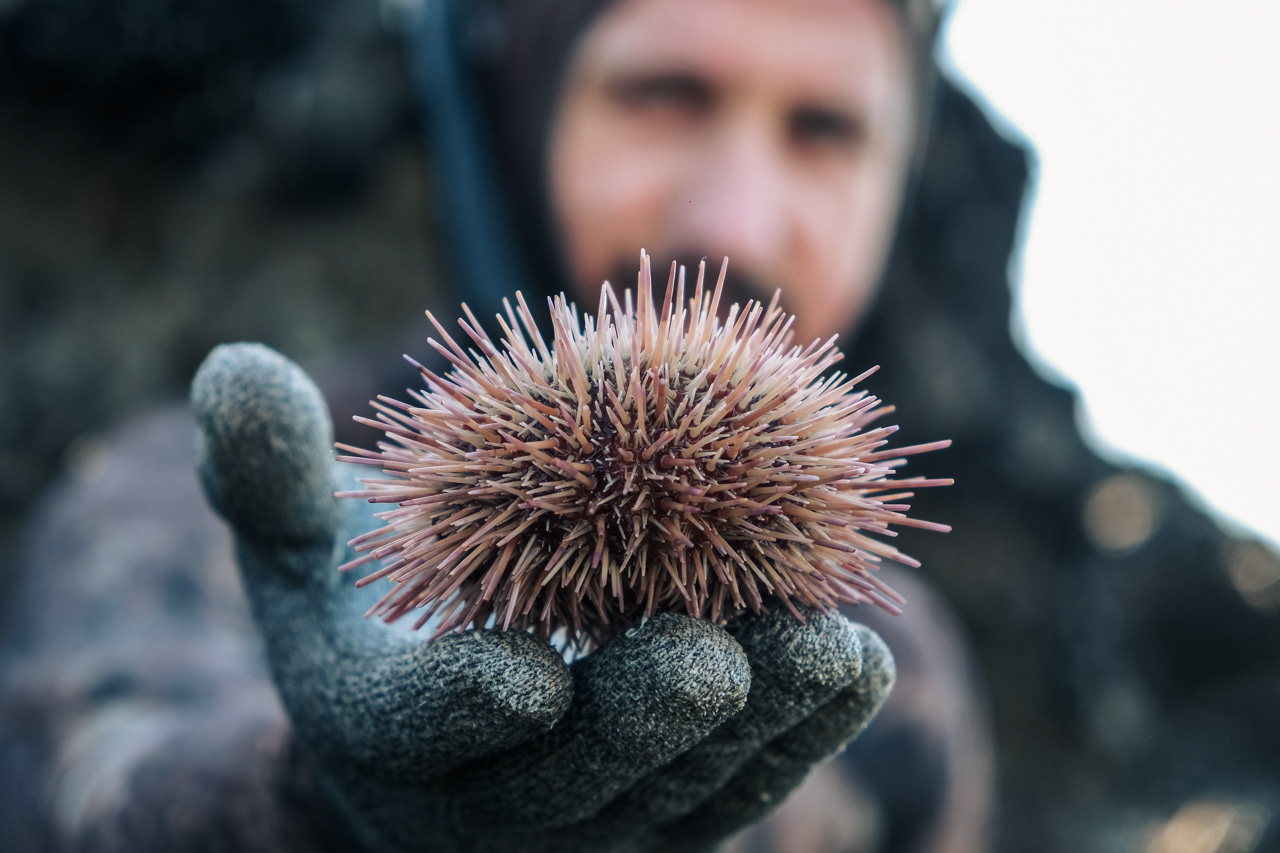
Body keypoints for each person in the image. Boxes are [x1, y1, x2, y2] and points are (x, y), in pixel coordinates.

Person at [3, 1, 1278, 852]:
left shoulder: (905, 663)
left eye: (822, 129)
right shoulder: (229, 487)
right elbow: (96, 755)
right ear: (521, 119)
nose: (729, 219)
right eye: (663, 92)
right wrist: (307, 804)